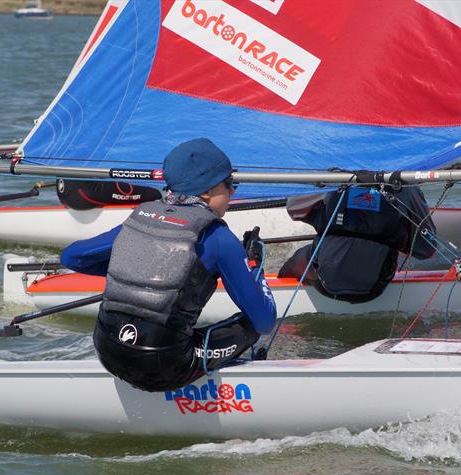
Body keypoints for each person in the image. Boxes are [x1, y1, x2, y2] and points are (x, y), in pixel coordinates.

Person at [60, 138, 276, 392]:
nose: (233, 193)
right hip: (166, 368)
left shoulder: (141, 217)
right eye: (230, 184)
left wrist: (129, 266)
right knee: (249, 327)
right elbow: (265, 321)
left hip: (106, 351)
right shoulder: (219, 238)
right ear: (207, 191)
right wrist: (254, 265)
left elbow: (71, 257)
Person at [278, 174, 437, 303]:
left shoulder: (334, 176)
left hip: (325, 278)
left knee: (295, 261)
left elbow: (293, 210)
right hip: (376, 286)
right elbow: (426, 250)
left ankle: (274, 298)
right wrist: (399, 239)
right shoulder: (404, 183)